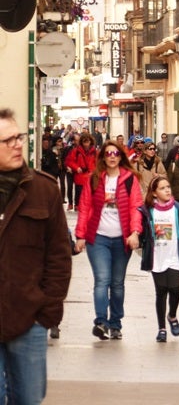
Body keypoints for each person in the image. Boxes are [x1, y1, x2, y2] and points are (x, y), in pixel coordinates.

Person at [0, 109, 71, 404]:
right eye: (8, 140)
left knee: (28, 399)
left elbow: (59, 256)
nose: (18, 144)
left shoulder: (43, 190)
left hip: (28, 320)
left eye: (19, 137)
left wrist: (46, 313)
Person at [74, 140, 143, 340]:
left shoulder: (130, 180)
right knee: (102, 280)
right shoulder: (94, 179)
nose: (112, 156)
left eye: (116, 153)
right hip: (98, 238)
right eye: (108, 153)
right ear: (103, 157)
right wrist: (80, 236)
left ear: (121, 156)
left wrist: (135, 232)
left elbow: (135, 207)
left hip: (122, 240)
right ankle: (101, 322)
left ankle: (116, 324)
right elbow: (85, 207)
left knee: (118, 284)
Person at [138, 176, 179, 343]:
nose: (167, 190)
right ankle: (162, 328)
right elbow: (142, 233)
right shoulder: (148, 211)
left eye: (168, 187)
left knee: (175, 289)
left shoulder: (178, 209)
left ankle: (172, 315)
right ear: (154, 193)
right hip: (157, 257)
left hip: (174, 256)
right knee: (161, 291)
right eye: (162, 188)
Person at [65, 132, 98, 210]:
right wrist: (76, 168)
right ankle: (77, 205)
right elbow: (69, 161)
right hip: (80, 176)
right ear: (81, 142)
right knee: (79, 192)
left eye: (88, 142)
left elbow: (98, 163)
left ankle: (88, 206)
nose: (86, 144)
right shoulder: (76, 151)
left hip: (90, 176)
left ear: (91, 142)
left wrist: (95, 171)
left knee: (90, 193)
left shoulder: (95, 152)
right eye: (84, 142)